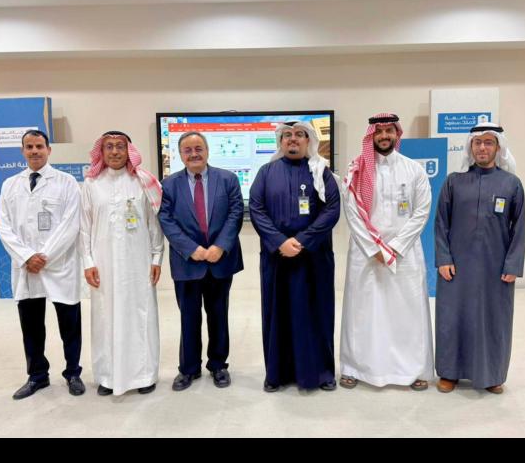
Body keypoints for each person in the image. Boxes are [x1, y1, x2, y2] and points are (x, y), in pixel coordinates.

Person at [339, 113, 434, 391]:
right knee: (363, 312)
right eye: (378, 131)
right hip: (366, 253)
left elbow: (422, 212)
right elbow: (352, 214)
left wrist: (395, 247)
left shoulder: (414, 170)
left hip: (405, 253)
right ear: (371, 135)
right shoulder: (357, 170)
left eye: (389, 131)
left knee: (408, 311)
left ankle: (414, 370)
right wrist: (374, 249)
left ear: (397, 134)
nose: (383, 136)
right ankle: (355, 368)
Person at [434, 122, 525, 394]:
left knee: (493, 320)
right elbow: (441, 223)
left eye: (488, 142)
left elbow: (520, 227)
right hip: (456, 268)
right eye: (477, 142)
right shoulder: (454, 181)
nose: (482, 148)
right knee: (452, 318)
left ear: (498, 147)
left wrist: (513, 264)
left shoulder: (511, 184)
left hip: (495, 269)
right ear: (470, 146)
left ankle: (492, 374)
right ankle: (449, 372)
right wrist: (443, 258)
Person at [249, 121, 340, 392]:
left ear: (308, 140)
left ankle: (321, 373)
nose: (293, 139)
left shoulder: (321, 172)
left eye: (299, 135)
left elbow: (332, 209)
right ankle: (276, 374)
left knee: (316, 314)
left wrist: (302, 241)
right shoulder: (266, 172)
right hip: (277, 259)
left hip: (314, 258)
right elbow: (256, 209)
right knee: (278, 315)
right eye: (287, 135)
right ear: (280, 142)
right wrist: (279, 242)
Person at [0, 129, 85, 400]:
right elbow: (3, 225)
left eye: (39, 146)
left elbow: (71, 224)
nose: (34, 151)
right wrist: (26, 257)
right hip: (27, 268)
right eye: (29, 147)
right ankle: (37, 375)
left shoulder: (67, 183)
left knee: (70, 324)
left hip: (59, 265)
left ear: (49, 150)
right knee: (31, 326)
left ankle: (73, 373)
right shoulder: (10, 185)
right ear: (23, 151)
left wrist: (44, 256)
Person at [80, 131, 164, 397]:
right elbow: (84, 228)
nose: (115, 151)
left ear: (129, 151)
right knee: (104, 318)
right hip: (103, 265)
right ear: (101, 152)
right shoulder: (91, 184)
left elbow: (154, 224)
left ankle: (144, 375)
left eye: (120, 146)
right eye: (109, 147)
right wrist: (87, 262)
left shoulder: (143, 181)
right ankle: (107, 377)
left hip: (138, 263)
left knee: (141, 316)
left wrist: (157, 257)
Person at [158, 131, 244, 391]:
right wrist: (191, 248)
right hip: (187, 262)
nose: (194, 154)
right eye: (188, 150)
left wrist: (220, 246)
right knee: (189, 317)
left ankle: (218, 365)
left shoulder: (227, 179)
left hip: (220, 261)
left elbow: (236, 213)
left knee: (218, 315)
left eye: (198, 148)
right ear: (180, 154)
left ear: (207, 151)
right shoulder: (168, 185)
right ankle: (188, 369)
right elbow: (166, 219)